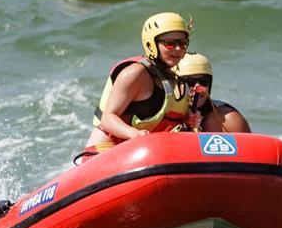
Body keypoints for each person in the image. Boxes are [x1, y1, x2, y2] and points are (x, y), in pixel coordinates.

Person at [77, 12, 200, 162]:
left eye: (183, 43)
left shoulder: (175, 82)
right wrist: (134, 134)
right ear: (151, 44)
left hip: (141, 155)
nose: (178, 49)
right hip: (103, 154)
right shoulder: (136, 73)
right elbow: (108, 118)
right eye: (170, 43)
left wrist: (190, 121)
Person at [176, 53, 252, 134]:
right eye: (190, 82)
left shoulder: (228, 120)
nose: (197, 87)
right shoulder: (164, 117)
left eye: (203, 81)